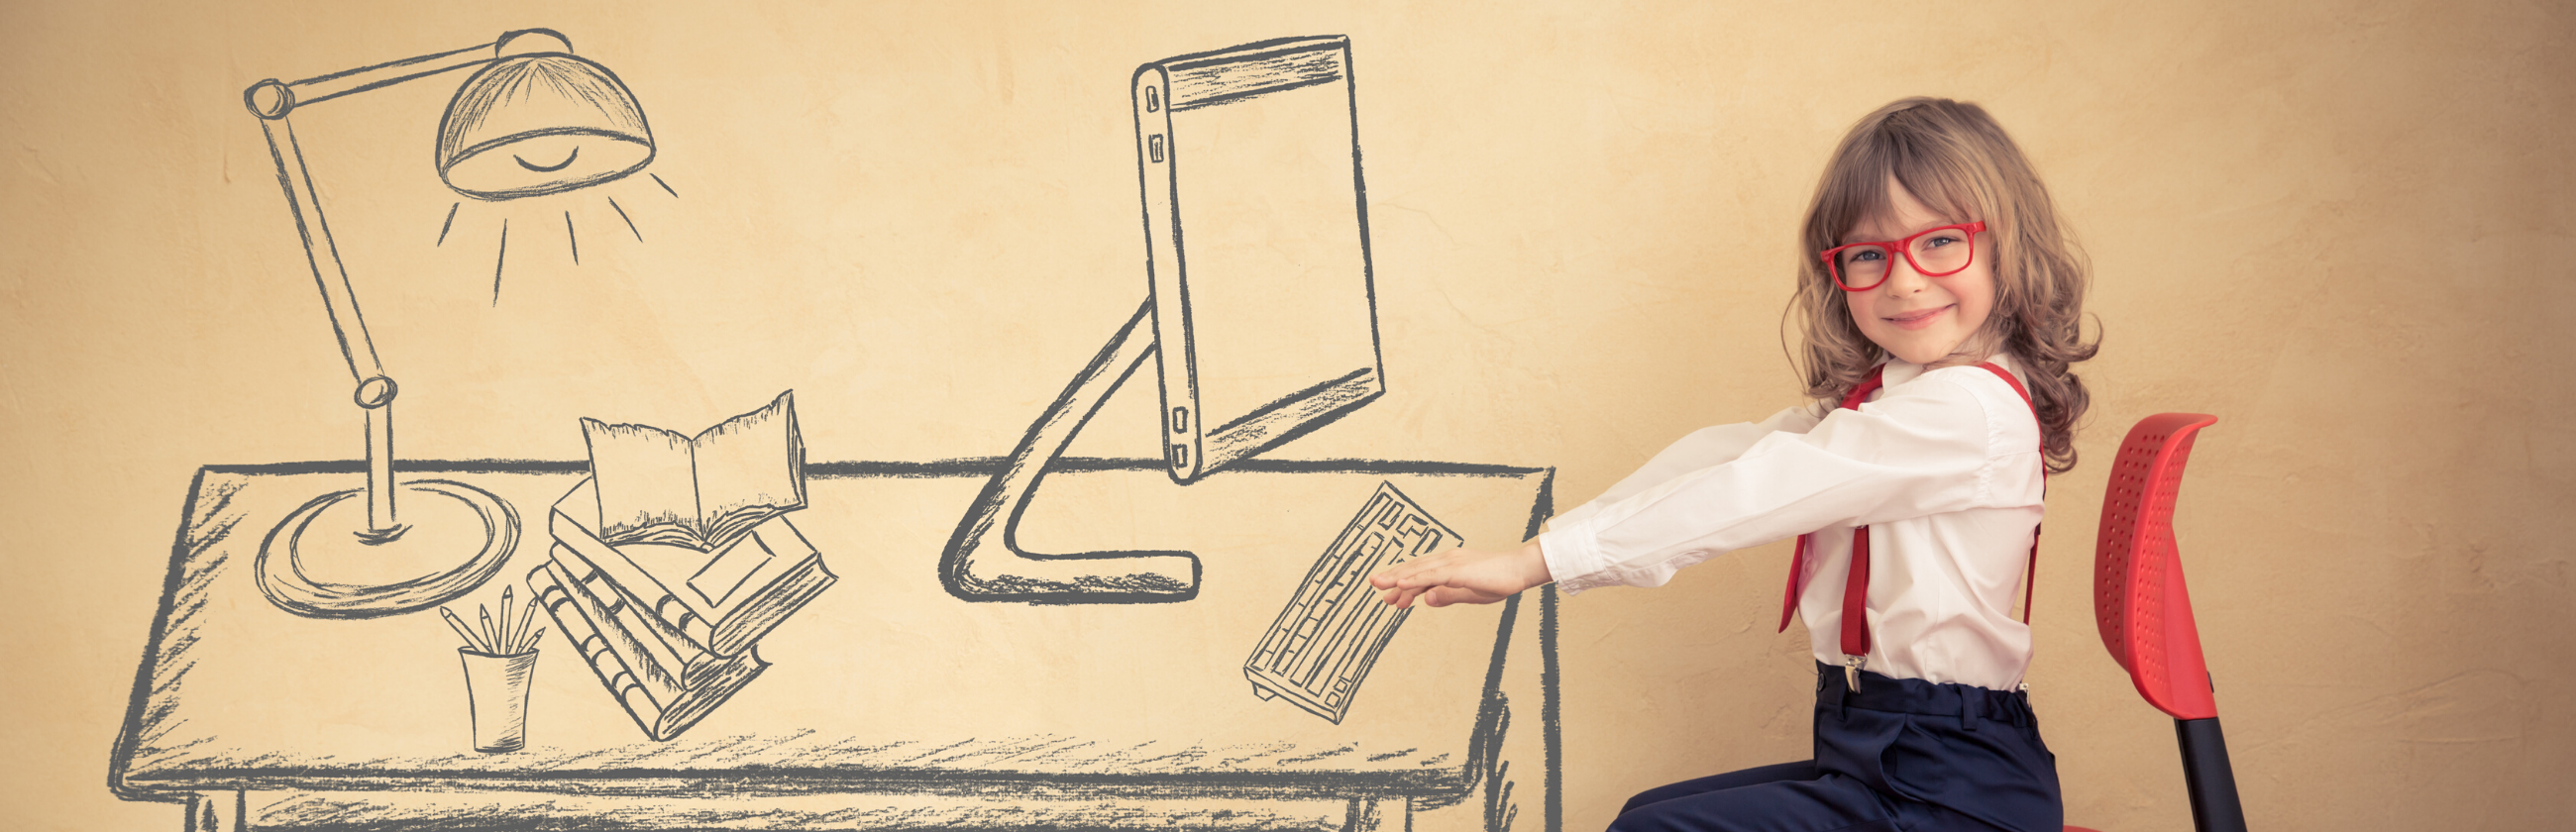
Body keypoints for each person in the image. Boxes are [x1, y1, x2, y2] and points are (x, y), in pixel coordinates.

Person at [1368, 97, 2097, 832]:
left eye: (1940, 242)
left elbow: (1756, 492)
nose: (1904, 281)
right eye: (1869, 255)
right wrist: (1542, 548)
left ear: (2009, 243)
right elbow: (1735, 456)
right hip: (1882, 745)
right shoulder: (1896, 400)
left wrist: (1538, 565)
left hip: (1950, 784)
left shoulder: (1962, 412)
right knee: (1647, 813)